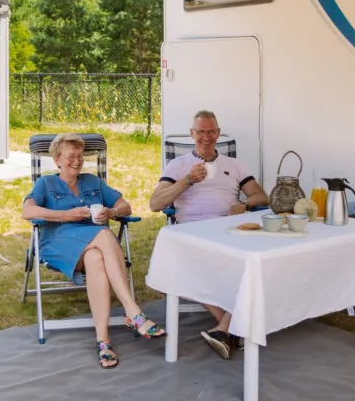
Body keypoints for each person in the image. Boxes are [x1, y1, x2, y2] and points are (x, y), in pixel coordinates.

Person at [22, 133, 165, 369]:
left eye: (80, 156)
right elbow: (27, 212)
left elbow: (124, 205)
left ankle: (103, 341)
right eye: (70, 157)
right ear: (57, 160)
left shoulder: (92, 182)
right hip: (59, 243)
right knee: (104, 234)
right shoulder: (45, 184)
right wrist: (66, 215)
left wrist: (111, 213)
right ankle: (133, 311)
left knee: (96, 257)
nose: (77, 161)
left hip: (94, 246)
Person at [149, 110, 269, 360]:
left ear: (218, 133)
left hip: (229, 229)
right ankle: (233, 328)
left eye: (211, 131)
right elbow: (155, 203)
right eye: (201, 131)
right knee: (191, 267)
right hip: (192, 231)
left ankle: (224, 330)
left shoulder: (234, 165)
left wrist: (245, 205)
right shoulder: (178, 165)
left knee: (256, 265)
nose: (206, 137)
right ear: (192, 134)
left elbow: (261, 196)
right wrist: (187, 181)